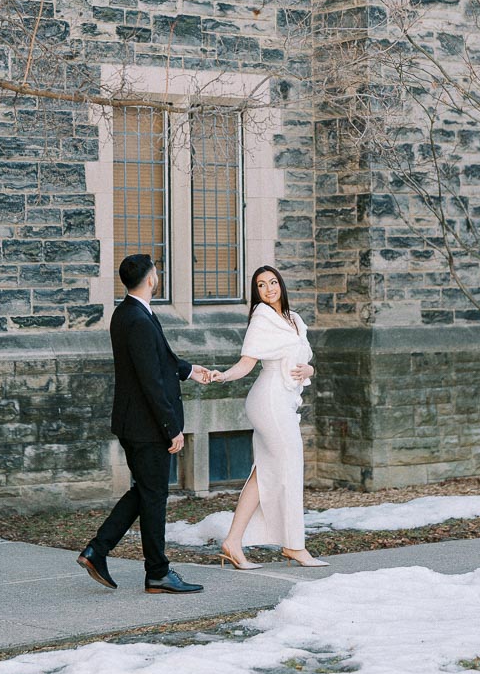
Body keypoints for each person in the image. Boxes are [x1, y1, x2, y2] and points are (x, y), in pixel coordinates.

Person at [77, 253, 213, 594]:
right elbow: (149, 379)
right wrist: (172, 428)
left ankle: (99, 549)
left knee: (146, 492)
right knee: (153, 497)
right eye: (157, 272)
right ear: (151, 279)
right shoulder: (136, 318)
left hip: (135, 423)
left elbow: (157, 359)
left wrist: (188, 370)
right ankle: (157, 572)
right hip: (146, 426)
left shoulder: (130, 313)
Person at [210, 265, 326, 570]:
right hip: (269, 400)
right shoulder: (261, 319)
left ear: (281, 285)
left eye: (273, 282)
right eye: (261, 285)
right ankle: (294, 546)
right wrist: (223, 376)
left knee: (265, 473)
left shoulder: (295, 320)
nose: (269, 288)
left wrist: (309, 370)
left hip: (285, 401)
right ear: (256, 292)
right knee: (290, 465)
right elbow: (247, 363)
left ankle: (233, 543)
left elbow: (304, 359)